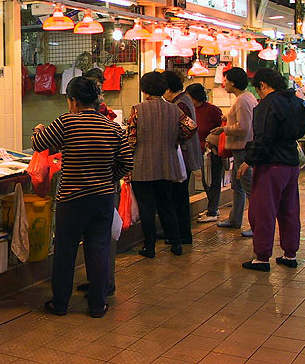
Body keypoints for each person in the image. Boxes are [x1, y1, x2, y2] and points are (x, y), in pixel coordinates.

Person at [32, 77, 133, 318]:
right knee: (98, 249)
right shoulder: (112, 127)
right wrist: (109, 177)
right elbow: (127, 162)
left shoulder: (67, 122)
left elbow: (39, 143)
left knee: (65, 250)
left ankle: (60, 304)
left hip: (72, 197)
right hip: (103, 198)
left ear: (74, 101)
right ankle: (97, 306)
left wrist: (39, 131)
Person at [237, 68, 305, 271]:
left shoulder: (268, 104)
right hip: (291, 163)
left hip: (271, 164)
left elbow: (264, 137)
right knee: (290, 209)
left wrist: (249, 160)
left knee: (263, 211)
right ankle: (290, 254)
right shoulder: (296, 101)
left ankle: (262, 257)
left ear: (263, 85)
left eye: (258, 89)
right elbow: (300, 130)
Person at [127, 72, 198, 258]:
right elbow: (191, 127)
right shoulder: (174, 109)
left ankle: (149, 247)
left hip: (142, 165)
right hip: (167, 164)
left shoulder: (138, 110)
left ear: (144, 90)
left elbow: (131, 140)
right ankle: (176, 244)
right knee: (166, 204)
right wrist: (175, 141)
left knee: (146, 207)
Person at [77, 68, 119, 298]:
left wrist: (111, 177)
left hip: (101, 187)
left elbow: (124, 158)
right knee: (94, 239)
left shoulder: (105, 115)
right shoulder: (84, 115)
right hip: (100, 186)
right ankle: (96, 281)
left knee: (103, 240)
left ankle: (105, 285)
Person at [214, 67, 258, 236]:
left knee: (248, 188)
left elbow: (243, 127)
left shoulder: (242, 100)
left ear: (232, 82)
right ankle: (235, 219)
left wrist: (224, 129)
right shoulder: (245, 98)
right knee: (238, 186)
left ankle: (256, 225)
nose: (224, 84)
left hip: (243, 148)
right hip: (241, 148)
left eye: (226, 80)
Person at [162, 70, 202, 245]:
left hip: (182, 157)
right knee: (179, 197)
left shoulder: (179, 104)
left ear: (168, 88)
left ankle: (181, 234)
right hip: (186, 156)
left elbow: (187, 128)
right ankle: (177, 232)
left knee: (178, 197)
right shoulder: (184, 99)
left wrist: (175, 140)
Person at [186, 83, 223, 223]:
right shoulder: (190, 110)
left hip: (211, 151)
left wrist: (211, 140)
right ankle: (212, 207)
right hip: (198, 151)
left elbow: (222, 126)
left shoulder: (212, 110)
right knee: (205, 181)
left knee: (211, 181)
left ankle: (213, 211)